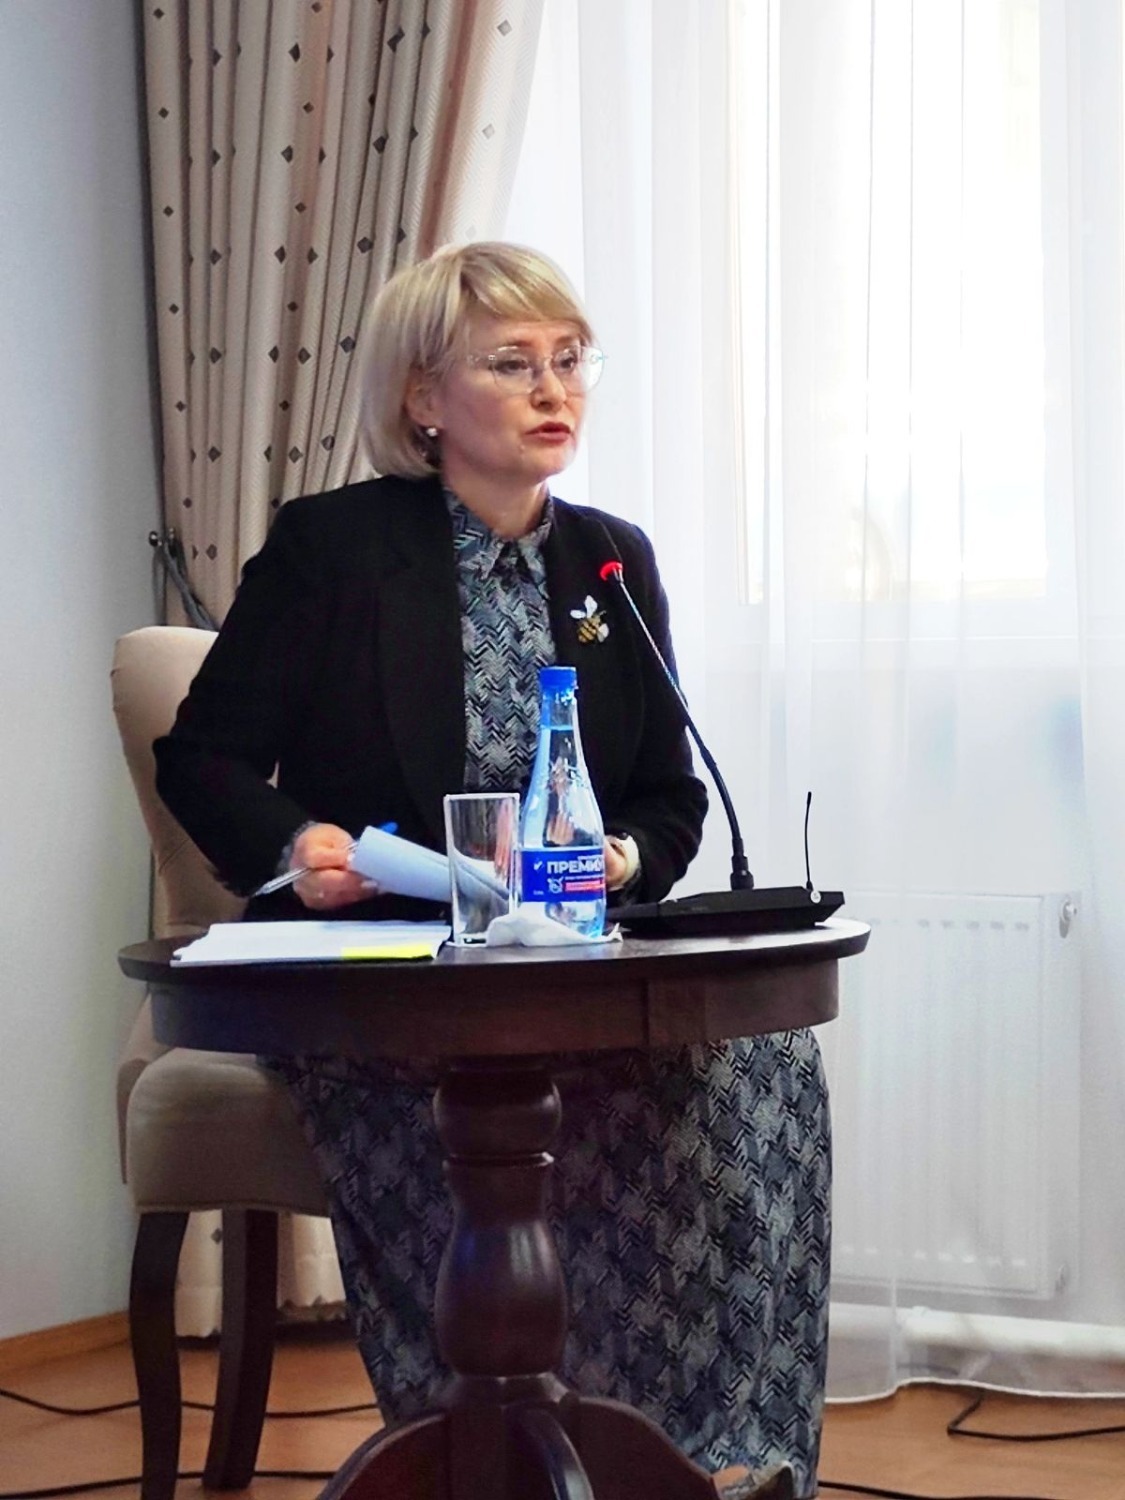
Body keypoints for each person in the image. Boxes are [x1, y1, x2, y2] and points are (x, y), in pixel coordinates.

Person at [154, 242, 831, 1499]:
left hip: (559, 968)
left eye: (569, 361)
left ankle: (715, 1460)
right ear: (424, 397)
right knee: (492, 1101)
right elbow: (203, 759)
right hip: (384, 982)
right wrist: (298, 848)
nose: (552, 389)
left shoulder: (611, 560)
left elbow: (669, 797)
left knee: (761, 1063)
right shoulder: (333, 550)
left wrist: (624, 855)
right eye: (512, 364)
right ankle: (493, 1456)